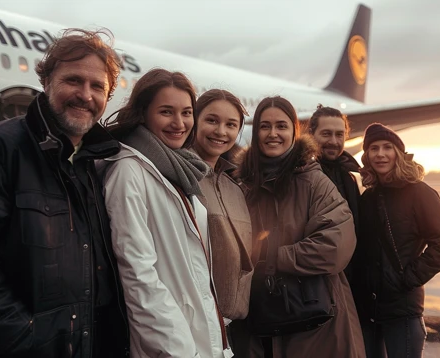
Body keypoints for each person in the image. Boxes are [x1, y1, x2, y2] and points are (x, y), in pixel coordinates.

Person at [0, 29, 129, 357]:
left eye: (97, 86)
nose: (85, 95)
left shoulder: (96, 164)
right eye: (73, 80)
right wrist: (23, 340)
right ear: (46, 83)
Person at [99, 69, 231, 358]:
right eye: (166, 112)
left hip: (197, 337)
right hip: (170, 346)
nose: (179, 123)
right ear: (143, 113)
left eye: (186, 112)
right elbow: (138, 277)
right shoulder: (128, 171)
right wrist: (178, 351)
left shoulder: (177, 169)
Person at [234, 96, 365, 358]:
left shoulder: (315, 181)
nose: (273, 134)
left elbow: (335, 246)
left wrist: (272, 257)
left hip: (313, 322)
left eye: (281, 126)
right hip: (257, 320)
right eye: (265, 126)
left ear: (294, 131)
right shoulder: (241, 184)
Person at [353, 123, 440, 358]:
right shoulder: (368, 197)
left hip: (402, 310)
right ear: (367, 157)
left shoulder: (419, 192)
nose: (380, 154)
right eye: (374, 149)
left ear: (398, 154)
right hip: (368, 310)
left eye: (387, 147)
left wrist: (407, 279)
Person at [192, 89, 254, 330]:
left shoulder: (234, 186)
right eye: (212, 120)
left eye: (231, 125)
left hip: (231, 325)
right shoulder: (179, 176)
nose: (221, 131)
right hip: (195, 321)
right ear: (194, 121)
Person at [308, 104, 361, 278]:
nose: (333, 141)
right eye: (326, 134)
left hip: (349, 277)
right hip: (315, 277)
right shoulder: (302, 176)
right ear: (311, 135)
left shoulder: (351, 177)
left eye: (339, 134)